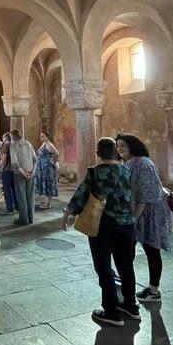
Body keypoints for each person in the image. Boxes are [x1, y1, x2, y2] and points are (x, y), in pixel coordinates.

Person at [62, 137, 138, 326]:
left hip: (104, 226)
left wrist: (68, 214)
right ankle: (131, 305)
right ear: (114, 152)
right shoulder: (126, 170)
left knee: (104, 267)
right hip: (127, 224)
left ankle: (111, 311)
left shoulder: (95, 173)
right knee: (126, 265)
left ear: (97, 152)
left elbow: (80, 196)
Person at [116, 133, 172, 302]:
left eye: (123, 146)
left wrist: (134, 219)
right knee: (129, 247)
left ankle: (153, 290)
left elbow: (145, 195)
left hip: (149, 214)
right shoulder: (130, 162)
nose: (119, 149)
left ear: (132, 146)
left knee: (151, 250)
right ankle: (125, 276)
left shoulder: (142, 163)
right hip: (137, 212)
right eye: (117, 146)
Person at [10, 129, 37, 226]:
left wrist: (23, 173)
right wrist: (33, 172)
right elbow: (35, 159)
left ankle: (23, 219)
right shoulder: (28, 144)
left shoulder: (13, 146)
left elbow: (14, 163)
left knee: (21, 197)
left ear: (13, 137)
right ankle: (31, 218)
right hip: (30, 172)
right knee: (30, 196)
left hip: (20, 174)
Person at [34, 131, 60, 209]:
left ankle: (48, 203)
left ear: (47, 137)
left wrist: (54, 162)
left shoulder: (49, 144)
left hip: (47, 167)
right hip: (42, 167)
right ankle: (46, 200)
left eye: (43, 136)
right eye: (40, 136)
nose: (41, 137)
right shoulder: (43, 144)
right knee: (44, 183)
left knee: (48, 183)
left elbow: (56, 153)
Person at [0, 132, 16, 215]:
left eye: (3, 137)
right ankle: (16, 206)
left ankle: (9, 208)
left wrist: (0, 167)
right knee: (13, 189)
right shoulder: (13, 144)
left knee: (6, 189)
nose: (2, 139)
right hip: (13, 170)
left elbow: (4, 159)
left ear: (6, 138)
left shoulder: (6, 145)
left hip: (7, 170)